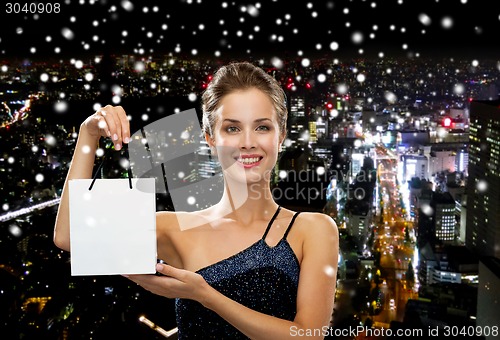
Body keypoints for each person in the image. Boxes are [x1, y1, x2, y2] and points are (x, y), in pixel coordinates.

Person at [54, 61, 339, 339]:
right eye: (232, 128)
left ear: (281, 137)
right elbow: (69, 236)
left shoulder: (313, 229)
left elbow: (308, 335)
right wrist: (88, 135)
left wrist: (203, 295)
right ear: (210, 139)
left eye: (262, 127)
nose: (248, 141)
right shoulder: (177, 229)